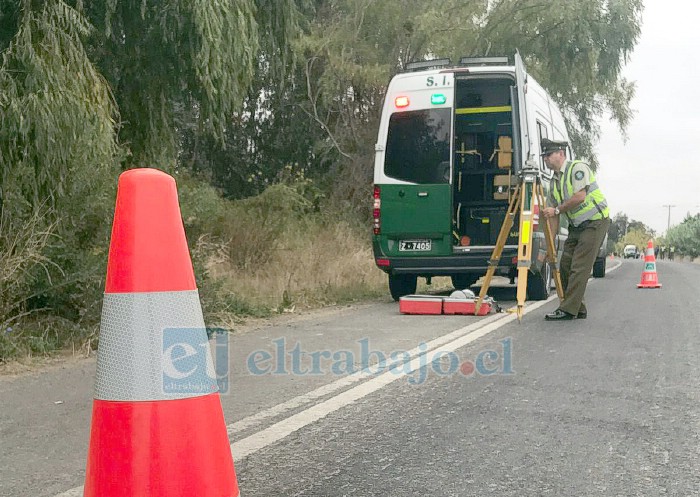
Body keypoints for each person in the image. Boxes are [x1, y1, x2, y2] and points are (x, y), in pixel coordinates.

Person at [540, 138, 611, 320]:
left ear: (561, 154)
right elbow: (553, 216)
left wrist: (556, 209)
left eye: (549, 155)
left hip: (595, 221)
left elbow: (579, 197)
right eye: (544, 156)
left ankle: (567, 310)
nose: (545, 159)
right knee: (564, 264)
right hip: (577, 226)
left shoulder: (577, 168)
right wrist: (551, 247)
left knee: (579, 266)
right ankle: (578, 308)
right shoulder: (554, 182)